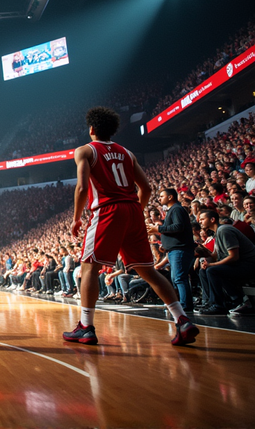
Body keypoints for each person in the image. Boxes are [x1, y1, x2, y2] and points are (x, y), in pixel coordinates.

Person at [66, 107, 199, 346]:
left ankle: (85, 327)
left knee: (89, 268)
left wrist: (76, 218)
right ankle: (182, 320)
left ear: (92, 129)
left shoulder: (85, 150)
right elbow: (146, 188)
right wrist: (136, 212)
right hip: (132, 210)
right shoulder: (127, 153)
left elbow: (82, 187)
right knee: (148, 271)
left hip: (107, 210)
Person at [195, 209, 255, 315]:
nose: (200, 221)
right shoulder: (217, 232)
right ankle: (209, 302)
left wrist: (211, 264)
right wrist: (204, 253)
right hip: (238, 265)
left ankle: (222, 304)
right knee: (203, 271)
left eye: (203, 219)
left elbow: (234, 257)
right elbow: (215, 255)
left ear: (212, 219)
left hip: (248, 265)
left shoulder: (224, 230)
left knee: (212, 270)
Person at [146, 188, 196, 312]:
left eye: (162, 196)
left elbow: (178, 227)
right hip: (175, 249)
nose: (159, 198)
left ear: (170, 197)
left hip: (180, 249)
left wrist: (158, 229)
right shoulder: (173, 210)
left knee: (179, 278)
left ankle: (185, 305)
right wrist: (166, 244)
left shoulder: (176, 209)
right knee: (176, 278)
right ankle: (183, 304)